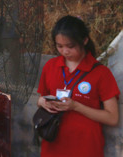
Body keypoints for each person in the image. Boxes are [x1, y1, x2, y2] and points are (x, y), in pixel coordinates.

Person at [36, 15, 119, 156]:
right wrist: (43, 102)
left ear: (85, 40)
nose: (65, 51)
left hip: (85, 147)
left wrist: (76, 106)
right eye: (59, 46)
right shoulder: (50, 66)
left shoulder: (101, 73)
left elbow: (112, 118)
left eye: (70, 46)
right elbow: (40, 99)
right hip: (53, 144)